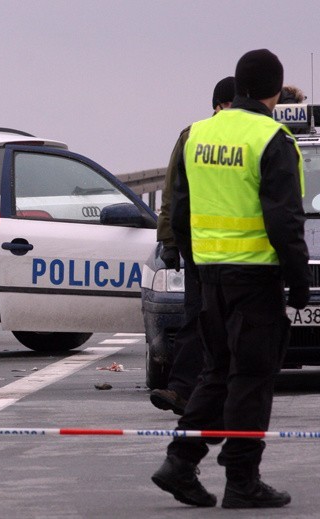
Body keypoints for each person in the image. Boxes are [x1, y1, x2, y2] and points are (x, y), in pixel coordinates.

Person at [151, 49, 310, 509]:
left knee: (217, 371)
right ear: (275, 90)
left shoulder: (199, 134)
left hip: (210, 278)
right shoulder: (272, 138)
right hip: (256, 277)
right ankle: (242, 479)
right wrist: (298, 282)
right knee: (253, 377)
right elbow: (285, 221)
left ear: (238, 85)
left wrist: (196, 266)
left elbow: (178, 211)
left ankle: (180, 461)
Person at [150, 76, 236, 415]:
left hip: (231, 249)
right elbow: (173, 192)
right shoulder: (194, 136)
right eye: (227, 104)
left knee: (219, 321)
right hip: (204, 248)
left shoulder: (249, 138)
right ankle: (182, 389)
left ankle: (199, 391)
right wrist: (169, 241)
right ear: (217, 105)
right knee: (197, 318)